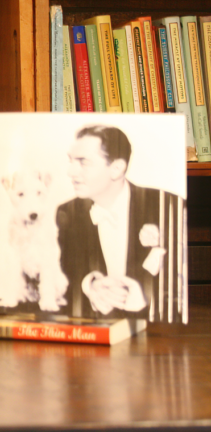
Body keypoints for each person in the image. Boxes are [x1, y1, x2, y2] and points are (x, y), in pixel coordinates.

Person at [56, 125, 177, 319]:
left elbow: (181, 280)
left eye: (83, 162)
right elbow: (66, 269)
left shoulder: (167, 205)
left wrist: (145, 296)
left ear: (117, 168)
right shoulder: (67, 212)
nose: (70, 172)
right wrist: (90, 285)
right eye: (71, 161)